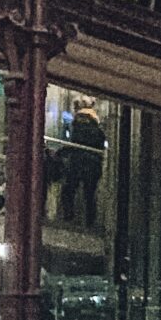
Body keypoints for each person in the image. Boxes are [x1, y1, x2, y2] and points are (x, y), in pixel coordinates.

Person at [55, 96, 107, 228]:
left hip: (77, 161)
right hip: (93, 162)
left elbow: (72, 142)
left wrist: (59, 153)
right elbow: (101, 143)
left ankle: (68, 218)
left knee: (68, 190)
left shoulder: (77, 122)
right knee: (90, 194)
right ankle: (90, 222)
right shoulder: (96, 124)